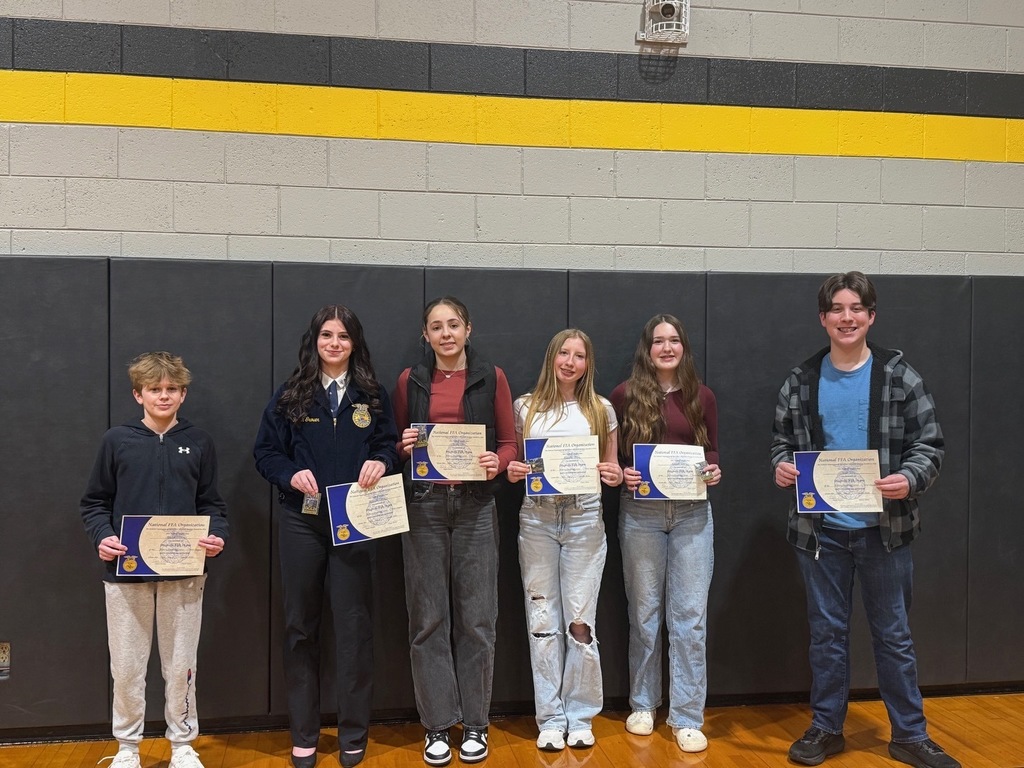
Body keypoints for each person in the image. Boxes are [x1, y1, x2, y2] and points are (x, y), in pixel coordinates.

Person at [770, 272, 959, 768]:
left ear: (871, 316)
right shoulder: (802, 379)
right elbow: (781, 441)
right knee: (826, 634)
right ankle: (827, 728)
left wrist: (910, 479)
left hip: (885, 532)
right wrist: (782, 466)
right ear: (824, 318)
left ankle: (909, 735)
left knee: (893, 635)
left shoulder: (901, 376)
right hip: (820, 532)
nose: (846, 317)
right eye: (837, 308)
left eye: (856, 308)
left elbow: (930, 444)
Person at [254, 305, 397, 768]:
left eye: (343, 336)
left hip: (355, 522)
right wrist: (290, 475)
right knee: (301, 627)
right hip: (303, 522)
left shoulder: (372, 395)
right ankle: (305, 732)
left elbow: (387, 445)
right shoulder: (291, 394)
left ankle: (353, 731)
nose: (334, 343)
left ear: (355, 343)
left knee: (354, 628)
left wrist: (383, 461)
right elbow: (265, 453)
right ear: (314, 340)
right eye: (326, 335)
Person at [80, 351, 228, 768]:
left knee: (181, 665)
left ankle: (182, 744)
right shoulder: (117, 441)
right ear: (138, 394)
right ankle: (128, 748)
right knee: (127, 667)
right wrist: (103, 537)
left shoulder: (198, 442)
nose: (163, 396)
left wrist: (217, 535)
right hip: (126, 574)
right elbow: (94, 502)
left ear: (183, 394)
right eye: (154, 389)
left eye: (171, 389)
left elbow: (212, 504)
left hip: (184, 573)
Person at [392, 297, 518, 767]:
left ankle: (477, 723)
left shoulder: (493, 377)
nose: (445, 334)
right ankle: (438, 725)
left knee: (477, 619)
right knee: (428, 619)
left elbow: (508, 444)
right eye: (436, 327)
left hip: (476, 506)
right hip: (423, 505)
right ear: (426, 335)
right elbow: (397, 442)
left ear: (468, 329)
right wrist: (403, 446)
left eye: (453, 325)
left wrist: (497, 462)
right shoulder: (411, 380)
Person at [505, 329, 623, 752]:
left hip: (584, 517)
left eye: (579, 356)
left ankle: (581, 713)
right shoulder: (525, 407)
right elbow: (514, 460)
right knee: (542, 621)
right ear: (551, 358)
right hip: (537, 517)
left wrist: (614, 475)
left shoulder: (602, 409)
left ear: (588, 364)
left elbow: (613, 469)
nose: (570, 362)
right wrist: (514, 471)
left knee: (580, 620)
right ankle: (550, 717)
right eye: (563, 354)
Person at [610, 314, 721, 754]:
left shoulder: (702, 395)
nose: (667, 348)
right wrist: (623, 473)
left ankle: (688, 715)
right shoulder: (623, 394)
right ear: (647, 349)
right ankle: (642, 704)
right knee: (645, 614)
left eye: (675, 340)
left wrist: (713, 469)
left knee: (690, 618)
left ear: (684, 348)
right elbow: (613, 457)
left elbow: (711, 448)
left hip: (693, 514)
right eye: (659, 341)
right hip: (641, 514)